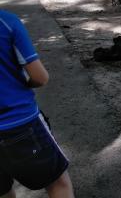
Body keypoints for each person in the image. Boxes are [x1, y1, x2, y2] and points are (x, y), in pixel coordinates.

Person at [0, 10, 74, 198]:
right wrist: (25, 84)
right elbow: (40, 78)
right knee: (58, 182)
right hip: (19, 123)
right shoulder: (6, 21)